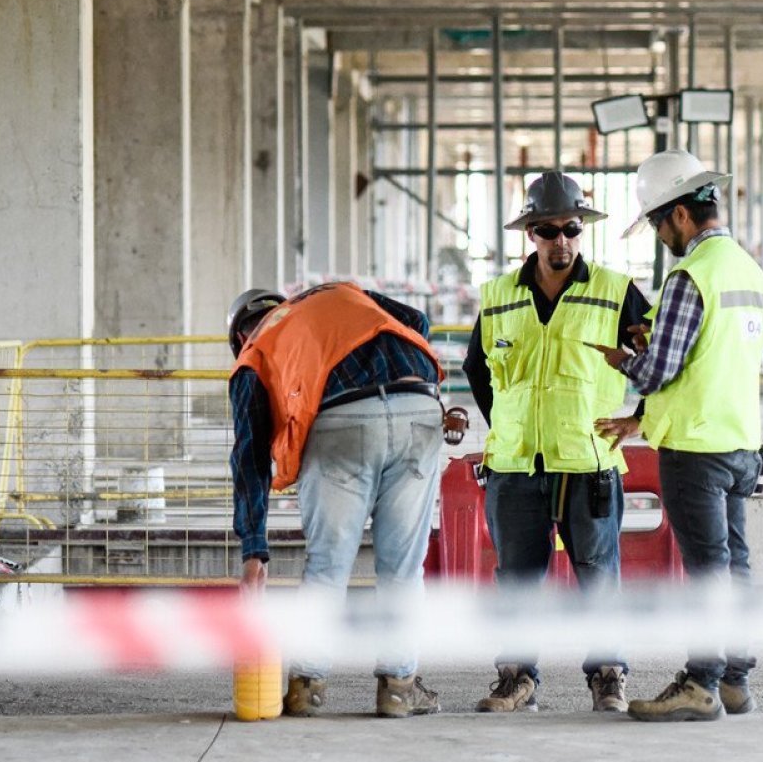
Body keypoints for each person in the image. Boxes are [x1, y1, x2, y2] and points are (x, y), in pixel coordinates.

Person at [592, 150, 763, 723]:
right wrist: (643, 419)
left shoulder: (690, 276)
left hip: (696, 453)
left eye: (654, 222)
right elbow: (712, 366)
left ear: (678, 216)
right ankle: (736, 679)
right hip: (739, 442)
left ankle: (700, 682)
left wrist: (623, 359)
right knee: (734, 565)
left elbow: (660, 369)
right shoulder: (749, 270)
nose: (657, 235)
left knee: (705, 569)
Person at [461, 171, 652, 713]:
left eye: (570, 228)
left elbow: (664, 362)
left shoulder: (616, 292)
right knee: (517, 579)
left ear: (581, 229)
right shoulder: (499, 296)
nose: (560, 240)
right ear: (531, 235)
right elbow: (477, 367)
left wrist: (644, 417)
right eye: (548, 231)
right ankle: (517, 678)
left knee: (598, 575)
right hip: (515, 465)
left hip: (588, 462)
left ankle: (608, 676)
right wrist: (506, 426)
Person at [228, 282, 448, 719]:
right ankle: (399, 689)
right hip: (419, 404)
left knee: (328, 565)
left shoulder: (254, 353)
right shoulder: (338, 293)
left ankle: (307, 687)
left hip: (341, 419)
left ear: (238, 337)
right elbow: (417, 324)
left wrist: (255, 549)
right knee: (403, 568)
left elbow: (250, 458)